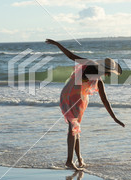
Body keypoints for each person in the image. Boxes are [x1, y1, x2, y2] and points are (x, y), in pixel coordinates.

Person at [46, 39, 125, 170]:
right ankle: (69, 161)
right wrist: (57, 44)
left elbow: (105, 101)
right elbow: (71, 56)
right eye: (107, 72)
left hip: (75, 98)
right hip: (70, 96)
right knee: (73, 128)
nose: (106, 74)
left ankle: (79, 159)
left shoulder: (98, 80)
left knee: (75, 128)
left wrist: (115, 118)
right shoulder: (89, 65)